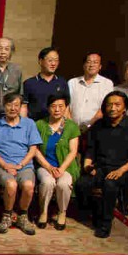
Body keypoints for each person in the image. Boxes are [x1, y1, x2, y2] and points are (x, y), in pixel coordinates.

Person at [79, 91, 128, 238]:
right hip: (100, 166)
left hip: (122, 168)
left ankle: (105, 223)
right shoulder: (98, 126)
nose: (112, 108)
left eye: (117, 105)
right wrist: (88, 167)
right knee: (82, 183)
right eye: (109, 104)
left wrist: (121, 171)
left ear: (124, 108)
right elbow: (90, 150)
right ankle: (95, 213)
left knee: (110, 185)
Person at [0, 93, 42, 235]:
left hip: (24, 165)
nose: (13, 108)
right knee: (11, 184)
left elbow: (33, 149)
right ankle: (7, 216)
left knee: (29, 186)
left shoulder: (29, 124)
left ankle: (23, 216)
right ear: (4, 106)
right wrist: (5, 165)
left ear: (21, 107)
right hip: (2, 165)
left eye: (16, 105)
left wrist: (21, 165)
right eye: (9, 105)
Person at [34, 93, 80, 230]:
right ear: (48, 108)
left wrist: (61, 169)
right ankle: (43, 211)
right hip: (45, 165)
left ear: (66, 108)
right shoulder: (40, 124)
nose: (57, 109)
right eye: (53, 106)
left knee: (63, 184)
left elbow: (73, 151)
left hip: (65, 166)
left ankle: (62, 212)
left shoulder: (71, 126)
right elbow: (35, 150)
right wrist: (49, 167)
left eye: (61, 106)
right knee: (48, 182)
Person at [68, 52, 113, 132]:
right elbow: (66, 105)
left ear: (100, 66)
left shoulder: (107, 83)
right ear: (84, 65)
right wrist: (71, 126)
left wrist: (88, 125)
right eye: (88, 62)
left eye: (95, 62)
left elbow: (105, 107)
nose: (91, 65)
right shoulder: (72, 82)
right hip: (72, 129)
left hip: (96, 129)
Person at [23, 47, 70, 121]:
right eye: (50, 60)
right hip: (34, 126)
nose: (53, 63)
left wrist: (61, 127)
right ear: (40, 61)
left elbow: (66, 107)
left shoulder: (62, 82)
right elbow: (24, 107)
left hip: (56, 127)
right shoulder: (29, 83)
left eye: (56, 60)